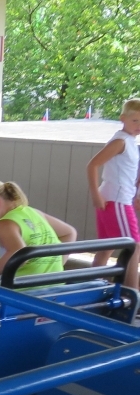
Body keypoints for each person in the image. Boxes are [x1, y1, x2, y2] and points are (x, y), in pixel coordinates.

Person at [0, 179, 77, 282]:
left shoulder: (5, 223)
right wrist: (55, 264)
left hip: (23, 290)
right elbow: (70, 233)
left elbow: (18, 254)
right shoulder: (34, 212)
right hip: (55, 285)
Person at [87, 98, 140, 290]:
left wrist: (135, 195)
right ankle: (133, 294)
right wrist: (95, 194)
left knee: (106, 246)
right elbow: (93, 164)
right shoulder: (121, 141)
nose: (138, 126)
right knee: (133, 247)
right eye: (135, 121)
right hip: (117, 200)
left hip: (118, 197)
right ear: (123, 118)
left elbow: (129, 172)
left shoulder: (131, 142)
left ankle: (94, 287)